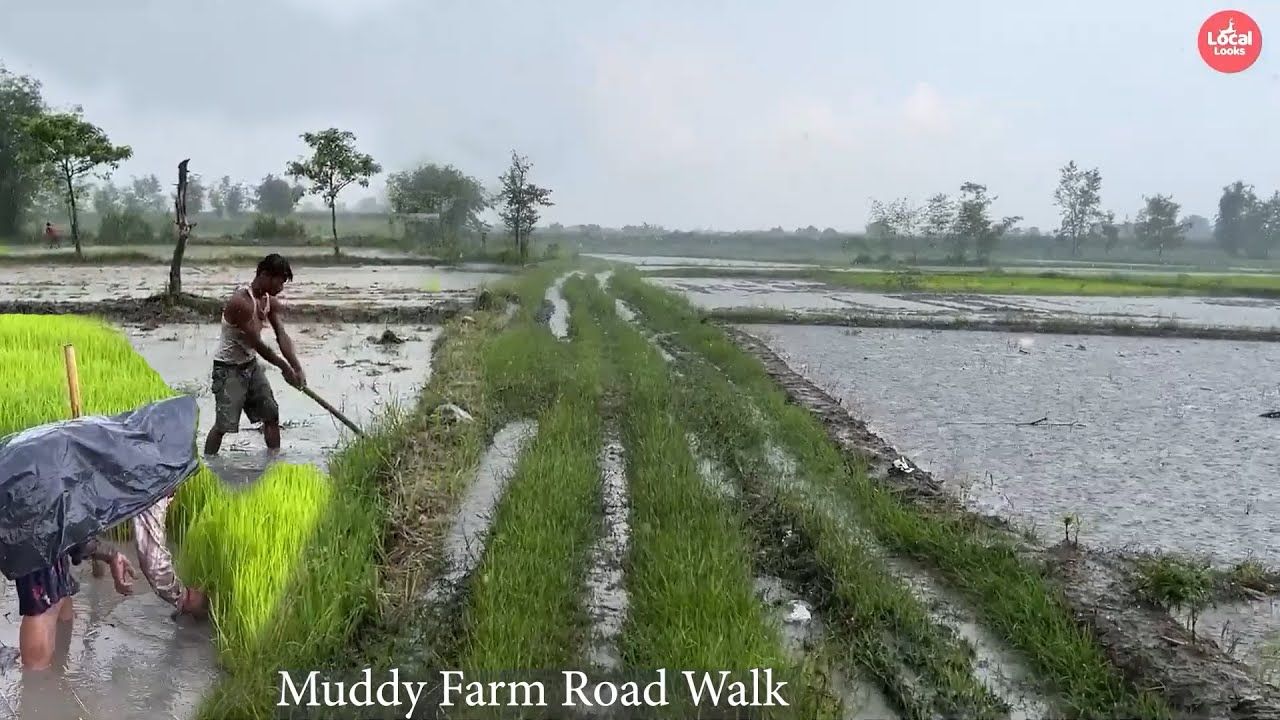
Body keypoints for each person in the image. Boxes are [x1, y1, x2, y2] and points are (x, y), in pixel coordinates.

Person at [14, 494, 208, 671]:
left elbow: (74, 515)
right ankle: (36, 692)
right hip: (34, 502)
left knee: (61, 589)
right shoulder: (156, 476)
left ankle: (57, 675)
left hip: (51, 497)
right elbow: (154, 562)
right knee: (45, 601)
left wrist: (108, 554)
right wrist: (185, 598)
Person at [203, 253, 305, 456]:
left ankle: (274, 463)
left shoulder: (269, 302)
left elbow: (281, 336)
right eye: (280, 281)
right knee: (223, 425)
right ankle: (206, 464)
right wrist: (284, 368)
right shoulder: (241, 303)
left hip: (250, 365)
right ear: (265, 275)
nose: (281, 287)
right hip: (228, 369)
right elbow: (257, 344)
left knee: (271, 415)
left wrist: (297, 367)